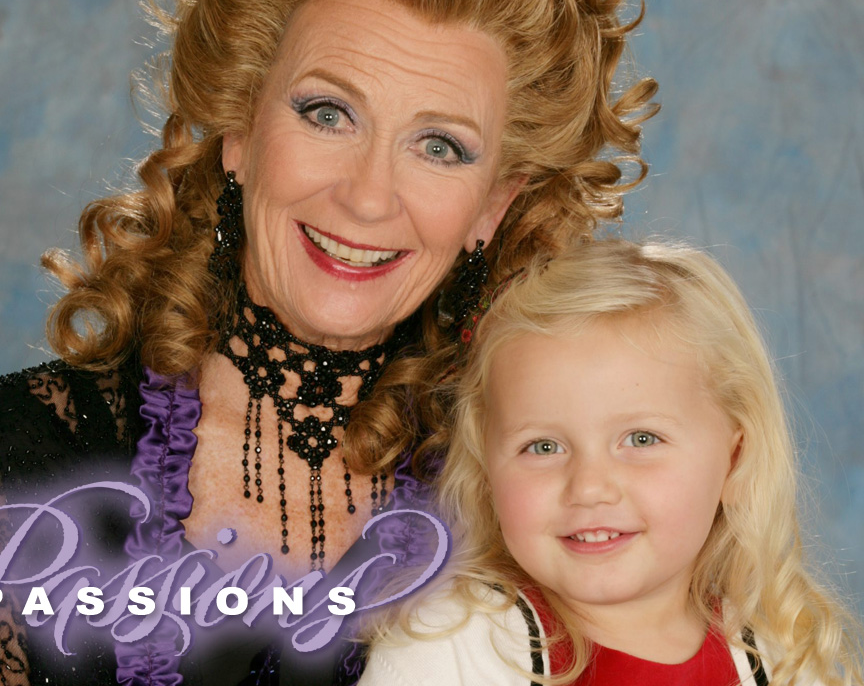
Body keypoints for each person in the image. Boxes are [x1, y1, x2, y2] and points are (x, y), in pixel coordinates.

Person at [0, 0, 657, 684]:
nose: (368, 197)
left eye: (439, 146)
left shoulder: (541, 495)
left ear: (494, 203)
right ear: (239, 126)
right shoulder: (28, 456)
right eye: (328, 113)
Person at [360, 240, 864, 686]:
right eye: (543, 447)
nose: (589, 487)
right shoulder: (448, 650)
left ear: (735, 462)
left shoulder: (783, 659)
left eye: (641, 439)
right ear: (487, 469)